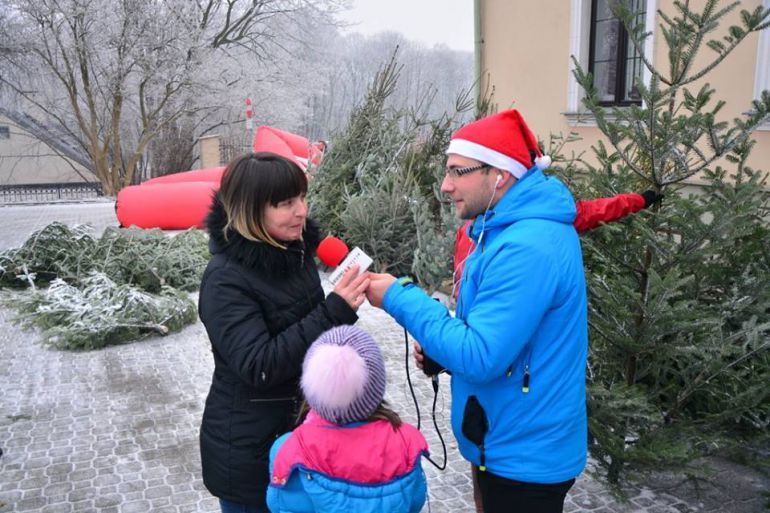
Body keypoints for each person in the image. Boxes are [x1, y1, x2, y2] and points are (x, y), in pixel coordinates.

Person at [366, 109, 588, 513]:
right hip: (507, 438)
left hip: (524, 458)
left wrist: (401, 297)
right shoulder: (502, 228)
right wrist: (443, 353)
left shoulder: (527, 246)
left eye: (457, 171)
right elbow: (502, 337)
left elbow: (482, 354)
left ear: (499, 174)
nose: (445, 185)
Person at [198, 152, 370, 513]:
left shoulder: (295, 251)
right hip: (251, 456)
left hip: (302, 438)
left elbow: (309, 336)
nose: (301, 211)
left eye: (303, 198)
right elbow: (260, 365)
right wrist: (334, 312)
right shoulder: (224, 279)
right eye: (285, 203)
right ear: (250, 210)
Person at [266, 325, 429, 513]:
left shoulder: (288, 449)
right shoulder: (406, 442)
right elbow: (416, 499)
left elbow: (279, 504)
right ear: (375, 387)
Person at [452, 189, 663, 298]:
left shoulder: (548, 218)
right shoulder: (470, 229)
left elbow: (598, 210)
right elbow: (461, 283)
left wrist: (639, 200)